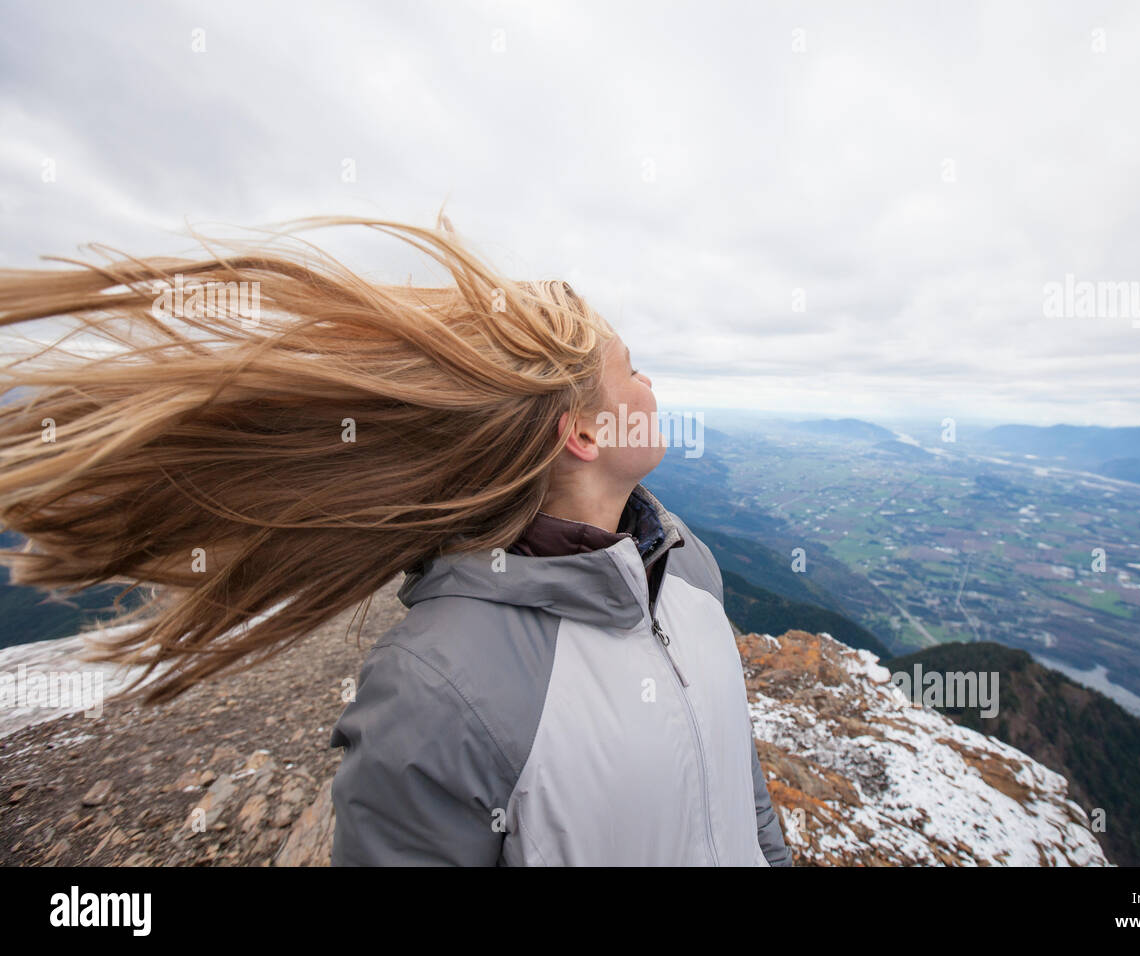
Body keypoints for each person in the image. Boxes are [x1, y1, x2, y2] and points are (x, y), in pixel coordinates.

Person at [0, 211, 793, 866]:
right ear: (583, 433)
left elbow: (740, 785)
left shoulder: (685, 563)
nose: (651, 387)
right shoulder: (436, 687)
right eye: (633, 370)